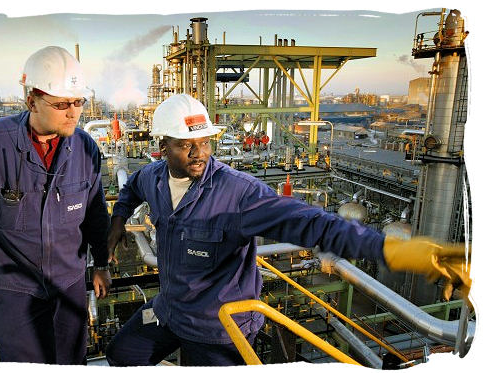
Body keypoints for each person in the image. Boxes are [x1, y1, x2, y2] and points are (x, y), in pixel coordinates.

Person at [105, 94, 470, 366]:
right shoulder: (152, 177)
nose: (200, 153)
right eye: (186, 145)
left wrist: (396, 251)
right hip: (170, 311)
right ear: (162, 146)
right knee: (119, 355)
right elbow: (131, 189)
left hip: (219, 328)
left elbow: (312, 223)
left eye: (205, 142)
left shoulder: (238, 194)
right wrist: (118, 220)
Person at [0, 46, 111, 364]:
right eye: (60, 104)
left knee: (72, 362)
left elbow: (95, 214)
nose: (73, 112)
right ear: (32, 100)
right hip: (16, 292)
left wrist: (101, 264)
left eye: (78, 102)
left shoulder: (85, 149)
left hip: (69, 286)